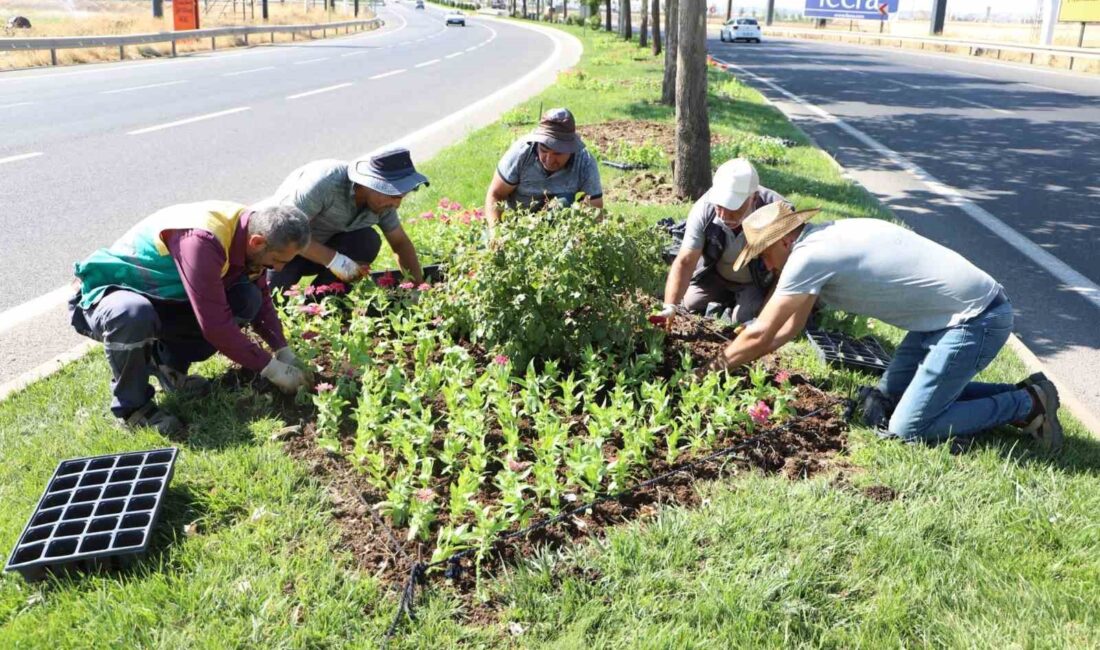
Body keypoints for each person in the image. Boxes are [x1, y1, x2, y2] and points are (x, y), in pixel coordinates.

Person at [708, 203, 1063, 452]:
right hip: (941, 318)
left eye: (763, 253)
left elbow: (763, 331)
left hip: (976, 319)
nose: (765, 264)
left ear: (784, 239)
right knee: (889, 398)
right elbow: (786, 329)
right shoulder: (824, 238)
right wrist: (744, 361)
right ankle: (1027, 391)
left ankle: (1026, 404)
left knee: (908, 428)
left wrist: (709, 370)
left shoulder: (807, 257)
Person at [69, 202, 313, 435]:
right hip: (110, 292)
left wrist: (282, 348)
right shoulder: (203, 240)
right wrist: (269, 367)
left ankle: (169, 366)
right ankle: (134, 409)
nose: (279, 269)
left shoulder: (251, 230)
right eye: (278, 261)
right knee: (132, 314)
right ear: (257, 242)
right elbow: (216, 326)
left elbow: (260, 293)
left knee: (246, 297)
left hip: (163, 295)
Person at [263, 148, 428, 288]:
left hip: (321, 251)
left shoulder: (383, 204)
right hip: (282, 247)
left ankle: (322, 307)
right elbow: (286, 234)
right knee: (272, 299)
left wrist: (417, 286)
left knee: (367, 240)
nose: (397, 205)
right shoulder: (325, 183)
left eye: (400, 197)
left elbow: (400, 243)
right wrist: (338, 262)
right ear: (368, 184)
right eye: (392, 195)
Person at [657, 158, 791, 326]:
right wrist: (670, 306)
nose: (724, 216)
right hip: (716, 276)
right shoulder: (704, 209)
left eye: (733, 208)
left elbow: (786, 273)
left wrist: (762, 320)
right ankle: (728, 299)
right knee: (691, 303)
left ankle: (743, 305)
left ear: (754, 198)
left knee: (743, 319)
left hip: (754, 282)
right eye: (719, 206)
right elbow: (685, 261)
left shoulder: (778, 213)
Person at [485, 107, 603, 227]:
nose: (549, 160)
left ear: (571, 149)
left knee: (564, 201)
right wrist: (496, 232)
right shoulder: (520, 153)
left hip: (561, 225)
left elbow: (595, 207)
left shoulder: (584, 162)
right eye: (544, 150)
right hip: (518, 222)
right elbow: (496, 194)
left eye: (558, 153)